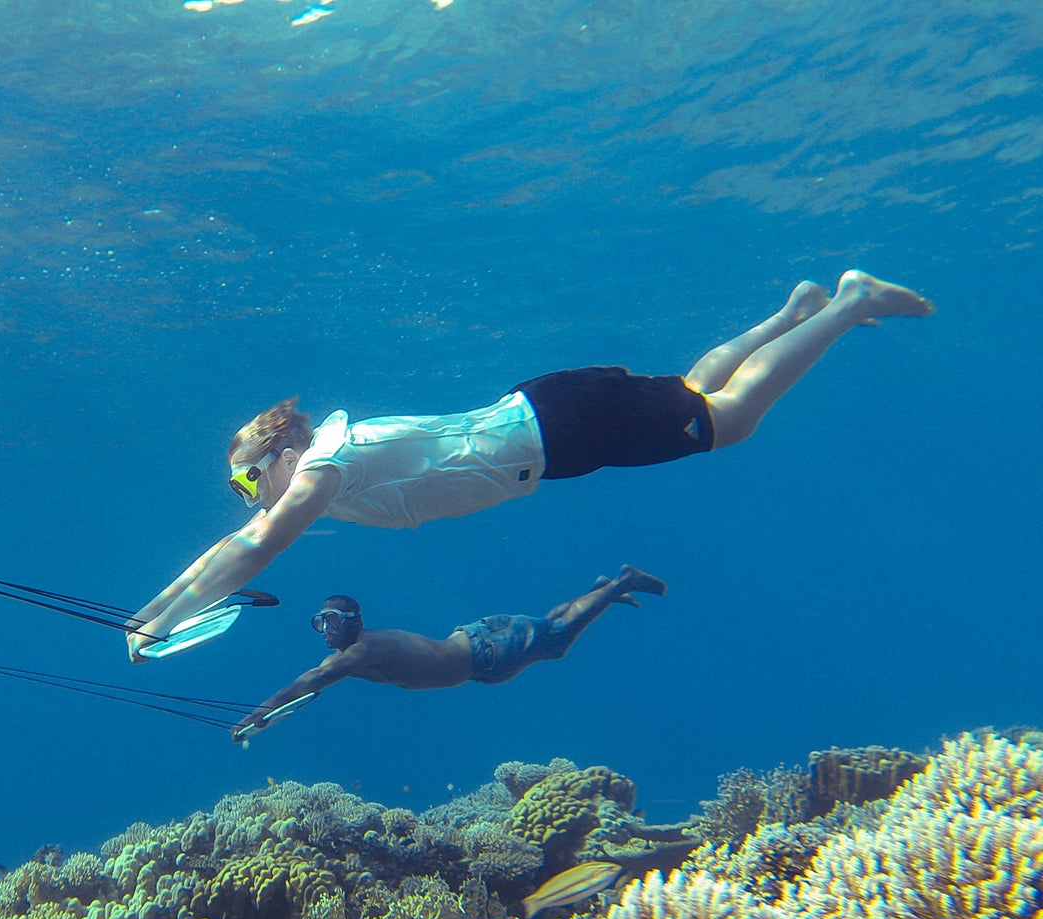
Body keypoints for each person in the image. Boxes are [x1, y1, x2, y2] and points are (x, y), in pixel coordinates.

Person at [128, 270, 932, 660]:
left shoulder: (323, 471)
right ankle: (793, 312)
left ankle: (847, 304)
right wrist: (151, 615)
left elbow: (256, 547)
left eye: (245, 480)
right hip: (552, 423)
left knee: (732, 421)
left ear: (280, 455)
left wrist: (166, 619)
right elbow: (238, 544)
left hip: (560, 428)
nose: (246, 497)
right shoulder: (327, 469)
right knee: (691, 392)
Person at [229, 565, 667, 740]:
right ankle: (599, 593)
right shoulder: (346, 656)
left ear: (354, 621)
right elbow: (310, 686)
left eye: (332, 620)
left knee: (558, 640)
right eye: (319, 622)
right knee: (549, 634)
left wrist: (253, 715)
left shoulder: (361, 651)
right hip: (480, 655)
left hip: (486, 650)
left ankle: (621, 582)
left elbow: (311, 681)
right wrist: (266, 718)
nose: (326, 630)